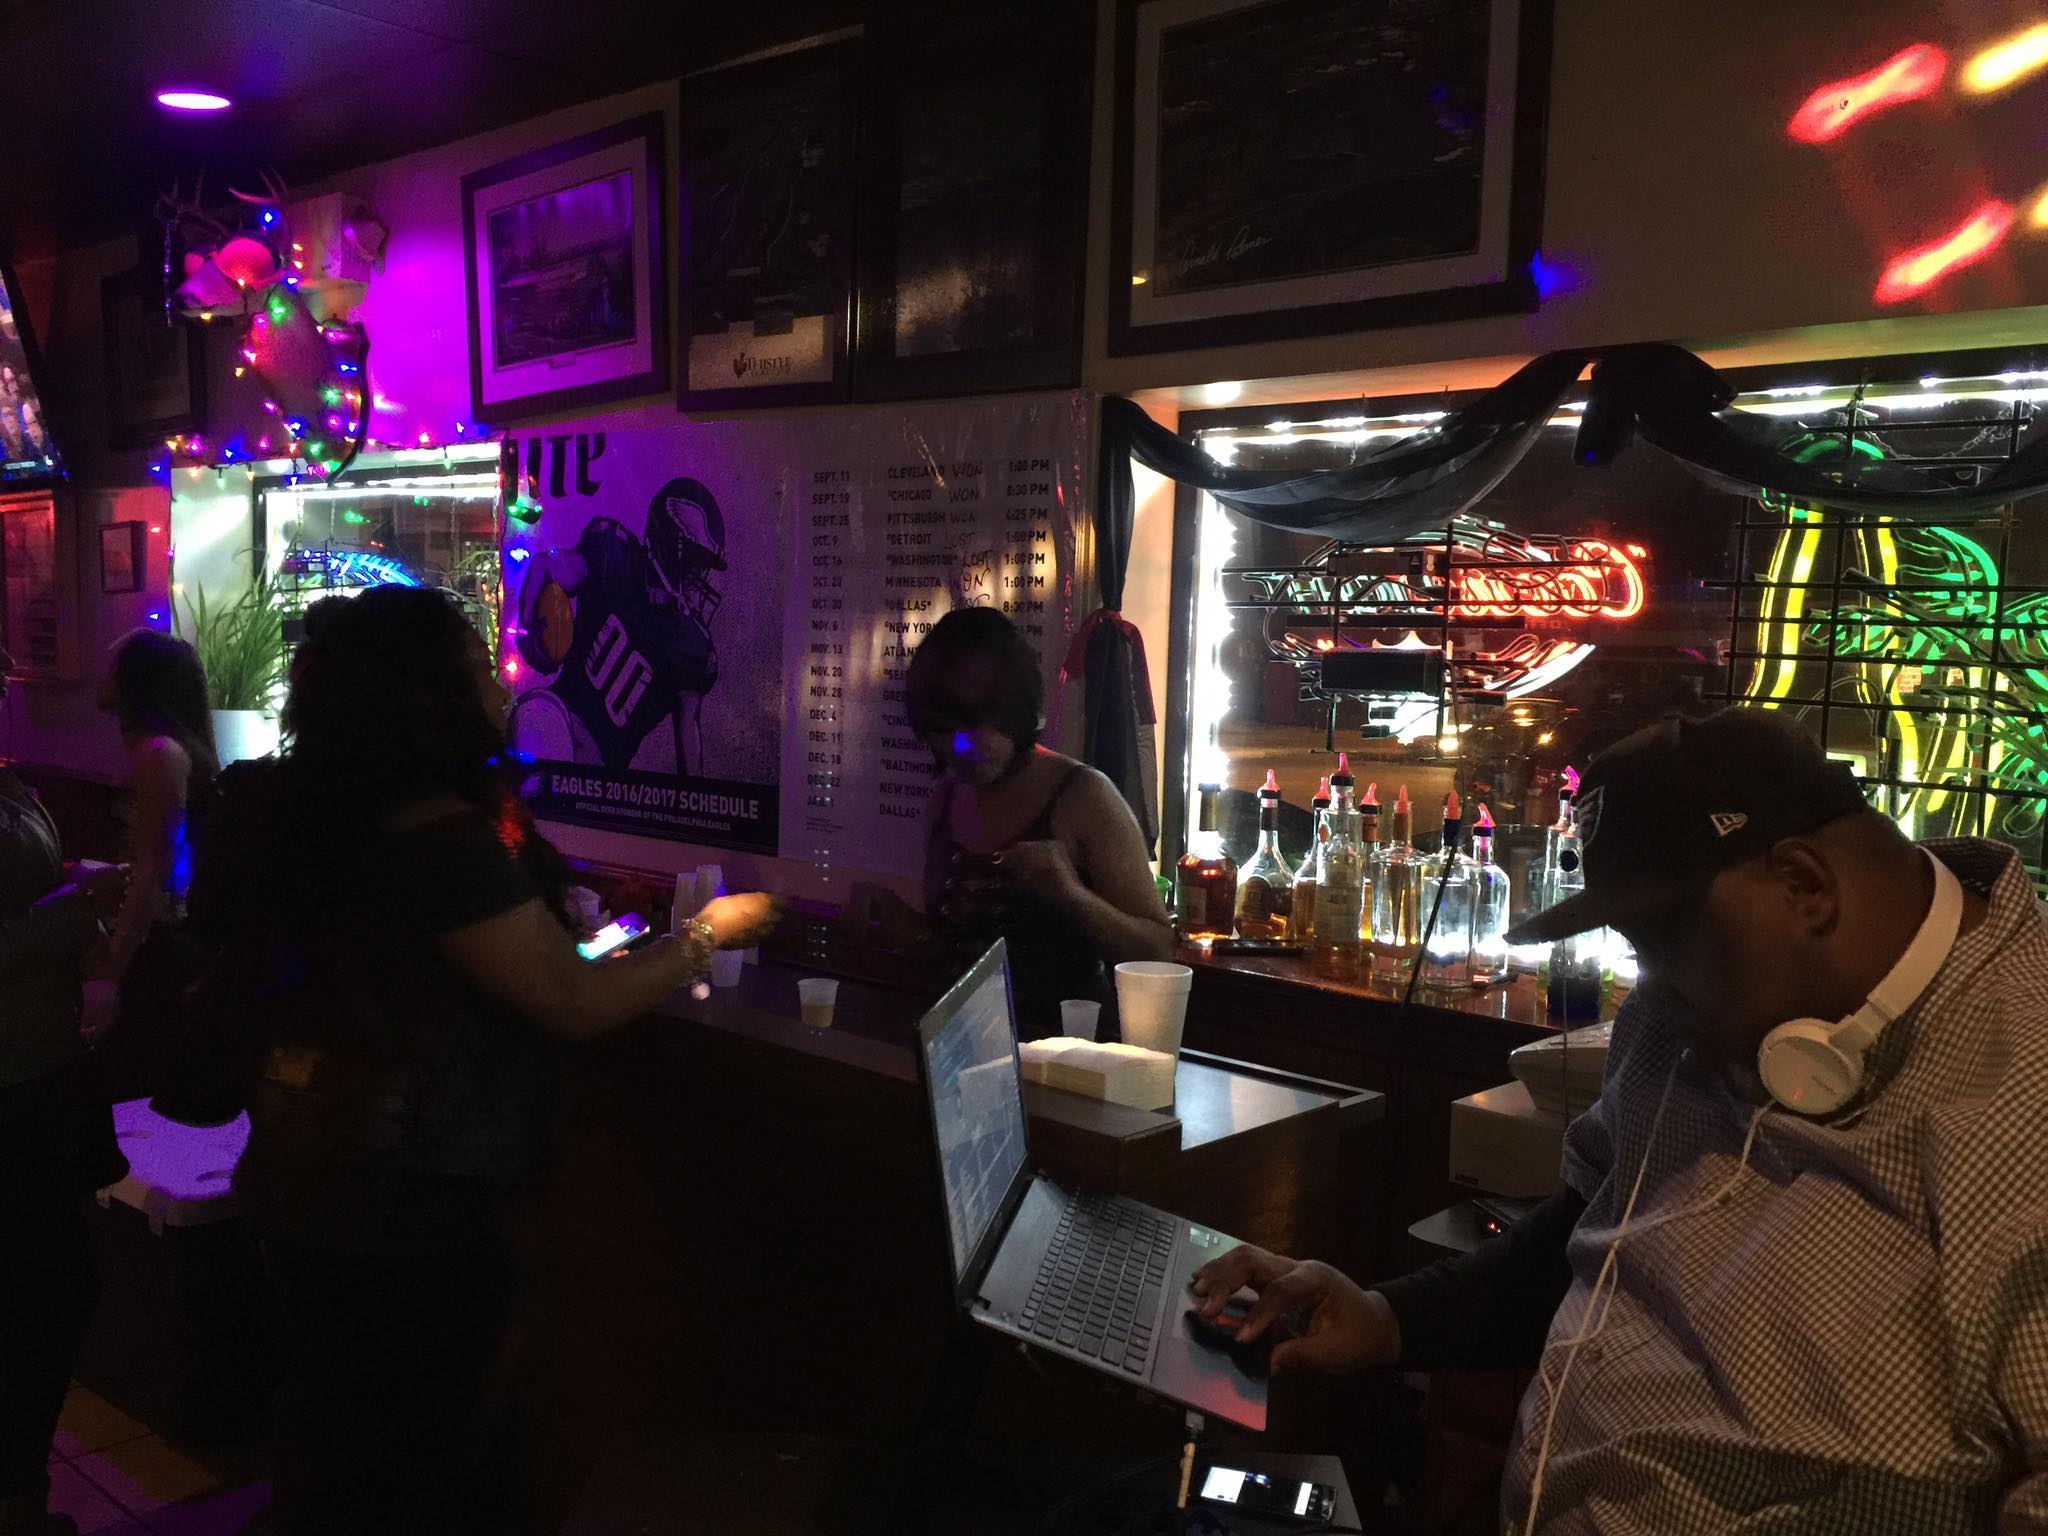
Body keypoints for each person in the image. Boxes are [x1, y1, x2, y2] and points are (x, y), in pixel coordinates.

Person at [1192, 708, 2048, 1534]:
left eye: (1662, 946)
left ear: (1805, 886)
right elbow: (1590, 1231)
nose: (1648, 993)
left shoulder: (2021, 1108)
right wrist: (1387, 1319)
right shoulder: (1682, 1017)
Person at [201, 587, 774, 1535]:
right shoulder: (439, 839)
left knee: (333, 1433)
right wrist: (707, 935)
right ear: (426, 695)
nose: (504, 684)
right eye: (478, 667)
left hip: (302, 1175)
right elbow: (573, 1003)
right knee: (420, 1456)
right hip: (411, 1202)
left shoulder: (321, 813)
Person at [847, 608, 1172, 1039]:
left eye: (973, 725)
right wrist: (901, 924)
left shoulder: (1082, 795)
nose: (959, 747)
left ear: (1015, 711)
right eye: (942, 731)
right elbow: (958, 954)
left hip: (1068, 1053)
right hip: (967, 1048)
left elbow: (1159, 951)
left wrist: (1072, 895)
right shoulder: (946, 799)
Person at [0, 646, 129, 1536]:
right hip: (11, 1083)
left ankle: (20, 1491)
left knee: (49, 1289)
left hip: (39, 1071)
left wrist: (73, 888)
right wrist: (80, 910)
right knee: (48, 1291)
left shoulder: (8, 781)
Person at [509, 478, 724, 774]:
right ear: (668, 544)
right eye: (693, 564)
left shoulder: (692, 647)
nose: (697, 578)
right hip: (555, 719)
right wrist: (528, 629)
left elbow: (689, 741)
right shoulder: (615, 555)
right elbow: (545, 566)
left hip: (600, 772)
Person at [86, 630, 217, 1099]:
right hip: (160, 935)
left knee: (136, 1084)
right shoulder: (162, 748)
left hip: (159, 943)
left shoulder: (159, 753)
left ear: (136, 679)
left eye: (114, 664)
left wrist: (111, 971)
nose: (104, 672)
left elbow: (154, 870)